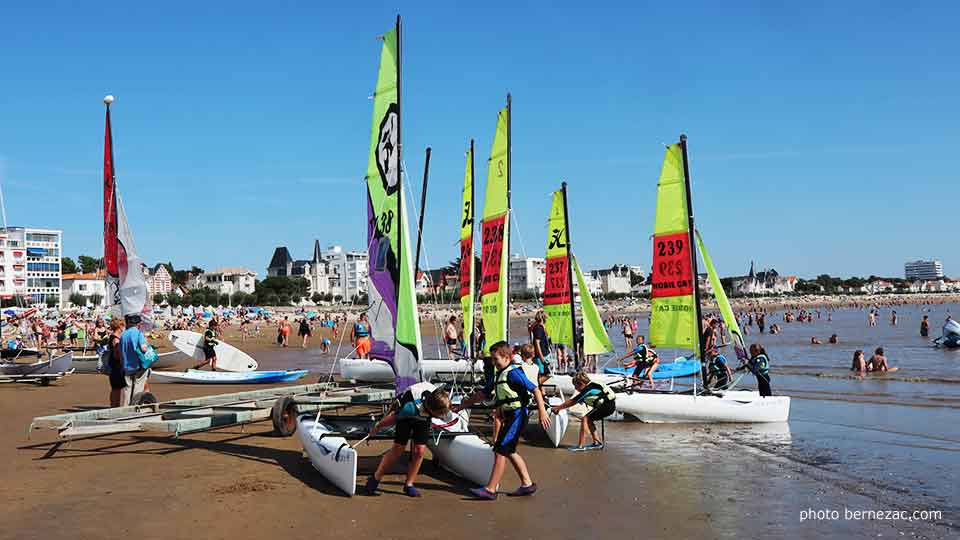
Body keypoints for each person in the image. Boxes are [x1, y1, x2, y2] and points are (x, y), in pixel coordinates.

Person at [456, 341, 550, 500]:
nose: (494, 363)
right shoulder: (500, 374)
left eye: (496, 359)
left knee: (500, 449)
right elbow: (483, 394)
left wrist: (542, 412)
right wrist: (462, 405)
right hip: (510, 416)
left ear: (507, 357)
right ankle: (527, 484)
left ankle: (490, 490)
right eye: (492, 360)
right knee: (509, 450)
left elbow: (534, 389)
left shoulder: (513, 372)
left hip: (518, 415)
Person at [364, 382, 453, 497]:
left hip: (424, 415)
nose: (440, 417)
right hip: (408, 410)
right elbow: (393, 418)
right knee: (398, 449)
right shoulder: (408, 408)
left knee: (419, 451)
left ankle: (409, 484)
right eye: (439, 415)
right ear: (432, 411)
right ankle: (375, 478)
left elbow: (446, 412)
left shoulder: (439, 403)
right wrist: (377, 427)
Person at [551, 371, 616, 450]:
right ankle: (597, 442)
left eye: (575, 386)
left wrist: (558, 408)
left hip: (606, 407)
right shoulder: (592, 385)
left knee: (585, 418)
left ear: (581, 383)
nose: (575, 389)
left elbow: (572, 401)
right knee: (589, 420)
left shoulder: (588, 389)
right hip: (609, 406)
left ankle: (581, 446)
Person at [119, 314, 151, 406]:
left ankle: (125, 408)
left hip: (127, 366)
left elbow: (121, 353)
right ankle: (135, 407)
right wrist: (149, 347)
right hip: (139, 365)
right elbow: (144, 349)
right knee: (138, 387)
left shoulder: (123, 335)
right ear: (138, 324)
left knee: (127, 388)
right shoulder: (138, 333)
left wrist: (122, 365)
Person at [106, 318, 126, 407]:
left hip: (114, 365)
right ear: (119, 327)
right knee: (117, 389)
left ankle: (114, 406)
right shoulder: (116, 339)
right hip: (117, 366)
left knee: (115, 388)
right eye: (123, 325)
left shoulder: (113, 337)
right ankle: (115, 407)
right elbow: (117, 355)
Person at [530, 312, 551, 379]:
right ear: (543, 319)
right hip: (540, 355)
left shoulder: (540, 327)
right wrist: (541, 356)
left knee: (546, 374)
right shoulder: (538, 328)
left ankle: (540, 388)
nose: (546, 320)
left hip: (544, 353)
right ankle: (537, 387)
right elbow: (537, 342)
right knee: (542, 374)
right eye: (545, 318)